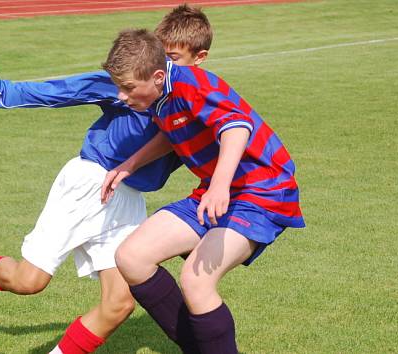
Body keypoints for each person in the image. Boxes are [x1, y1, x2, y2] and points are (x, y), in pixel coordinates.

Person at [0, 5, 213, 354]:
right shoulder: (132, 80)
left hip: (129, 201)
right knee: (29, 282)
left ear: (199, 57)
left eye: (172, 57)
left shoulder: (195, 98)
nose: (163, 67)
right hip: (89, 184)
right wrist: (0, 89)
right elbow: (64, 91)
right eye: (160, 55)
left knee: (120, 305)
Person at [100, 29, 305, 353]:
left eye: (127, 88)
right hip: (216, 189)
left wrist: (220, 185)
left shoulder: (193, 84)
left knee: (196, 281)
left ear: (156, 76)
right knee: (132, 257)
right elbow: (173, 132)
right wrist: (130, 164)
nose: (122, 96)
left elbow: (237, 128)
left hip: (262, 190)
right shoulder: (160, 95)